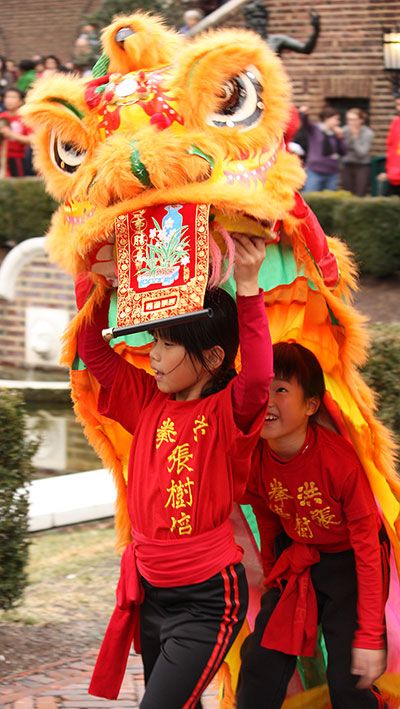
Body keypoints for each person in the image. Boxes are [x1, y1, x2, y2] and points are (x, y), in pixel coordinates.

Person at [77, 234, 274, 706]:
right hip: (152, 592)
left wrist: (248, 286)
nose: (154, 356)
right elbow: (96, 352)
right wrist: (97, 283)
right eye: (155, 341)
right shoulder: (147, 401)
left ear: (212, 358)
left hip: (208, 601)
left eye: (168, 345)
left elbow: (260, 376)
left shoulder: (230, 412)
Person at [236, 342, 389, 709]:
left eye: (282, 389)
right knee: (259, 662)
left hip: (351, 565)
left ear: (311, 405)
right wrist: (274, 583)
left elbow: (368, 548)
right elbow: (269, 521)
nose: (268, 399)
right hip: (299, 564)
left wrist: (369, 637)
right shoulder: (255, 458)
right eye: (263, 387)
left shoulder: (339, 464)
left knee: (348, 680)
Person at [300, 105, 347, 193]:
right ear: (327, 118)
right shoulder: (315, 129)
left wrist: (340, 137)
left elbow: (343, 151)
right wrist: (304, 113)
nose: (338, 122)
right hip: (315, 170)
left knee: (329, 200)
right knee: (310, 197)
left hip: (332, 172)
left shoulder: (336, 134)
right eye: (336, 119)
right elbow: (305, 123)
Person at [342, 108, 374, 197]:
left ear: (361, 120)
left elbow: (362, 153)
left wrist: (355, 137)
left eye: (353, 120)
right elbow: (341, 150)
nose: (350, 123)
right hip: (347, 165)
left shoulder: (368, 133)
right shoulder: (344, 130)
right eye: (348, 119)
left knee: (360, 193)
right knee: (346, 193)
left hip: (362, 166)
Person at [0, 88, 32, 177]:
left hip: (17, 158)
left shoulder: (25, 119)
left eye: (13, 97)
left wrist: (11, 134)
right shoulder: (1, 117)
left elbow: (31, 140)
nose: (9, 100)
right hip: (2, 157)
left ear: (20, 101)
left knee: (17, 186)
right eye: (7, 97)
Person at [378, 95, 400, 196]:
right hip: (394, 178)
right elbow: (392, 150)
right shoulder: (396, 122)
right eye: (397, 104)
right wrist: (389, 172)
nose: (398, 108)